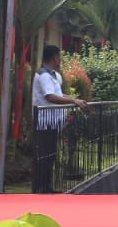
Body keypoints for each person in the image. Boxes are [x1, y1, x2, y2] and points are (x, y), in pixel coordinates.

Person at [31, 44, 88, 193]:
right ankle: (41, 188)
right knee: (44, 156)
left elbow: (59, 94)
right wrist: (73, 101)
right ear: (54, 57)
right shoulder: (43, 75)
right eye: (59, 56)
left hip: (51, 122)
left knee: (50, 156)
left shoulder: (53, 75)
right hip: (44, 122)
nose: (60, 60)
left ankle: (47, 186)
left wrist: (75, 100)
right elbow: (50, 96)